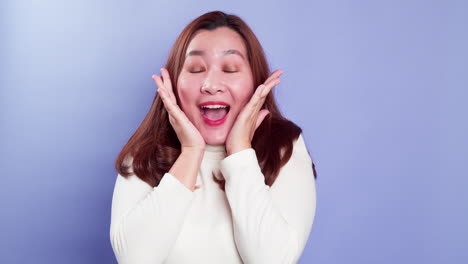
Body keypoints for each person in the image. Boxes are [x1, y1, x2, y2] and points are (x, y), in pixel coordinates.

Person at [110, 10, 317, 264]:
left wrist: (240, 151)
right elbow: (134, 259)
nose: (210, 83)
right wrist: (191, 151)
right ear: (174, 84)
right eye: (196, 69)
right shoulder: (144, 151)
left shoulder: (285, 146)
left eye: (230, 69)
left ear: (256, 82)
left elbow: (272, 260)